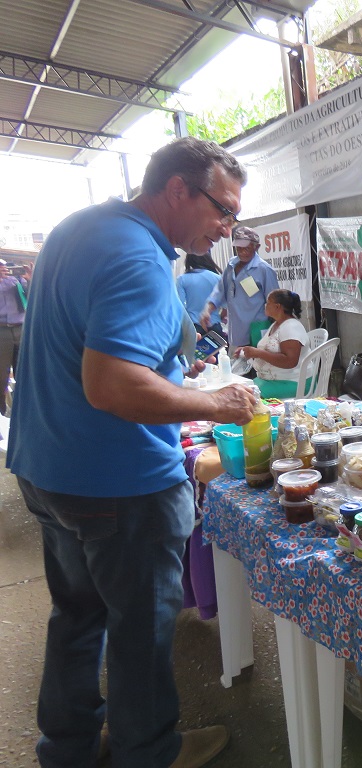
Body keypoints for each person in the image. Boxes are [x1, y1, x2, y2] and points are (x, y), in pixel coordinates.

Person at [6, 137, 258, 768]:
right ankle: (147, 751)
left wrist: (174, 365)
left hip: (47, 467)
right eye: (222, 209)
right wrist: (216, 404)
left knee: (77, 616)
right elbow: (112, 382)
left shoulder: (81, 227)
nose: (226, 227)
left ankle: (65, 749)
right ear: (177, 189)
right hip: (117, 483)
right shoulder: (139, 257)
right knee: (141, 628)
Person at [199, 226, 279, 352]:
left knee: (258, 369)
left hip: (257, 333)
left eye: (246, 248)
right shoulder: (231, 266)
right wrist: (207, 310)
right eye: (239, 248)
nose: (242, 252)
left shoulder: (263, 269)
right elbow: (220, 291)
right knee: (237, 370)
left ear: (256, 247)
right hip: (236, 334)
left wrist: (275, 332)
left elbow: (276, 303)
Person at [234, 288, 307, 398]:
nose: (265, 305)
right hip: (269, 380)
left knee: (244, 397)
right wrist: (247, 351)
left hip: (292, 381)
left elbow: (290, 361)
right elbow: (268, 349)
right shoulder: (276, 324)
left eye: (268, 303)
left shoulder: (291, 327)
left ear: (277, 306)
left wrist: (258, 353)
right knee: (237, 390)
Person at [0, 259, 31, 416]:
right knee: (1, 376)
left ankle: (25, 410)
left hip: (21, 329)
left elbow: (34, 297)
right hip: (2, 332)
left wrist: (30, 279)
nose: (4, 269)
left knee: (25, 371)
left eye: (4, 266)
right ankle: (2, 411)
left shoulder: (17, 280)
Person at [177, 252, 222, 334]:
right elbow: (226, 305)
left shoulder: (182, 279)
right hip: (215, 326)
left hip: (194, 328)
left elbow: (180, 306)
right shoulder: (218, 278)